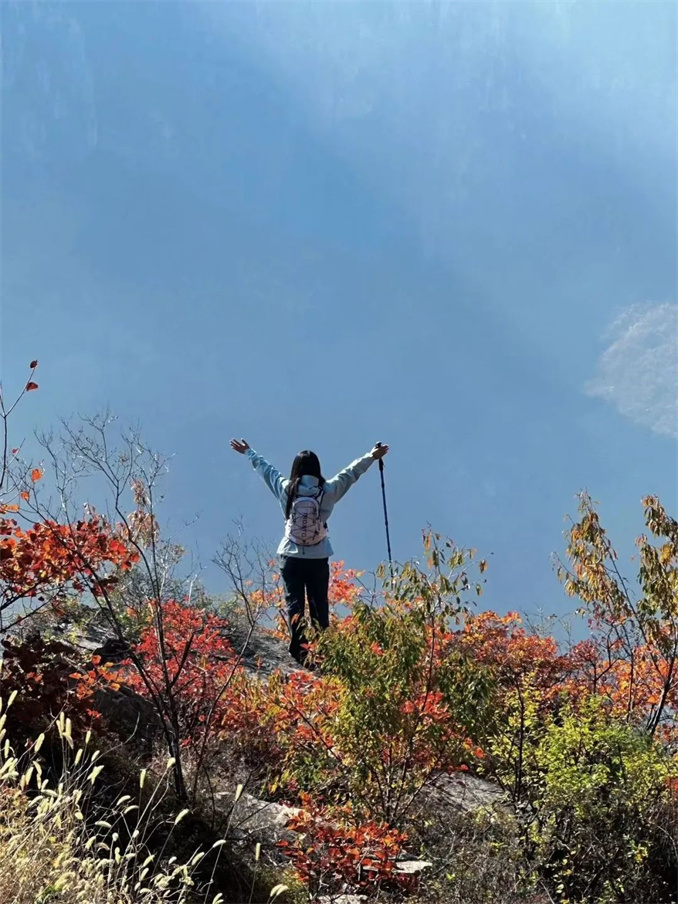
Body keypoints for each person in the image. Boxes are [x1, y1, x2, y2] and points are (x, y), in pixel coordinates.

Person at [230, 439, 389, 666]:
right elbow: (351, 473)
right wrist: (372, 456)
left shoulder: (287, 489)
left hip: (291, 555)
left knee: (294, 603)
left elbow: (267, 471)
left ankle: (298, 651)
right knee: (318, 604)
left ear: (296, 469)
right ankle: (323, 650)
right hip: (318, 555)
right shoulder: (329, 491)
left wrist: (249, 452)